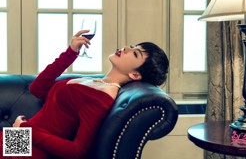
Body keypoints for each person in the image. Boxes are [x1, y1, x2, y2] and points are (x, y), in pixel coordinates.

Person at [0, 30, 169, 159]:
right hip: (21, 139)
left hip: (32, 148)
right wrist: (71, 52)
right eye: (132, 46)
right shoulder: (95, 81)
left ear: (135, 75)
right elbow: (37, 88)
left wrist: (27, 130)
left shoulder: (101, 98)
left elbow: (77, 150)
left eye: (134, 53)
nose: (126, 48)